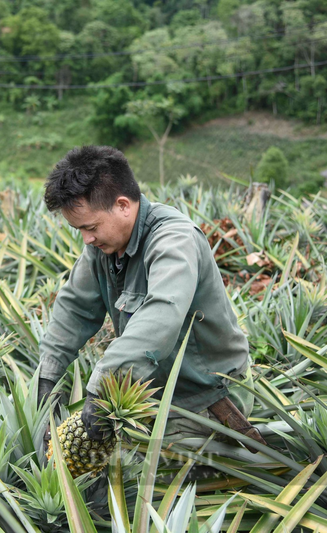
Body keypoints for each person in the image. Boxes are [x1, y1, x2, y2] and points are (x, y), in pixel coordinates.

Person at [37, 145, 263, 448]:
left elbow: (162, 314)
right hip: (152, 394)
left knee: (122, 478)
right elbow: (75, 307)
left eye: (90, 227)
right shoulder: (103, 247)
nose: (86, 239)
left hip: (203, 400)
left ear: (122, 205)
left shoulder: (174, 240)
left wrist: (101, 389)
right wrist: (47, 377)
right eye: (79, 230)